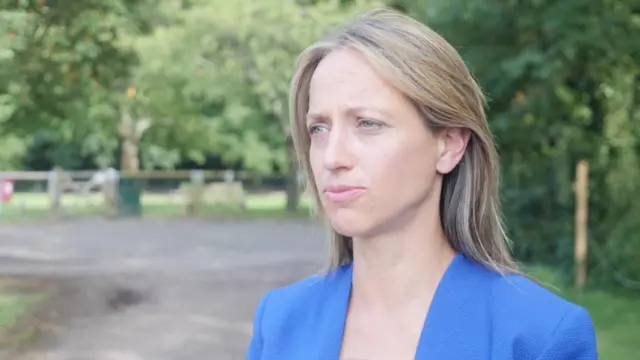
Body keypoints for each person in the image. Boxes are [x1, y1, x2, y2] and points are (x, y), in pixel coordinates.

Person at [247, 8, 598, 360]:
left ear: (449, 145)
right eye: (319, 129)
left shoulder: (539, 337)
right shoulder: (279, 322)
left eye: (367, 124)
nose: (331, 157)